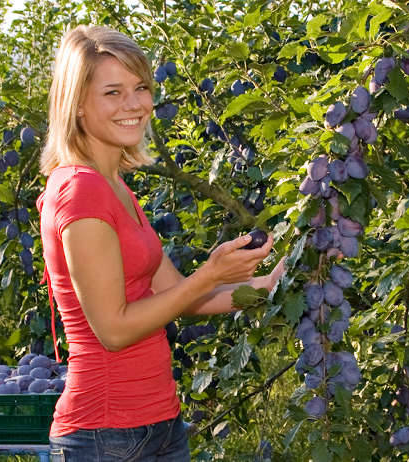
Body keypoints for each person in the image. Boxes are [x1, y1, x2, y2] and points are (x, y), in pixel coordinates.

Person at [37, 26, 286, 461]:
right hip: (105, 435)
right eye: (112, 92)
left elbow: (182, 298)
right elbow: (113, 331)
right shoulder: (80, 191)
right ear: (76, 106)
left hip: (158, 425)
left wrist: (280, 280)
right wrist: (210, 273)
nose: (134, 104)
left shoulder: (112, 185)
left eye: (141, 88)